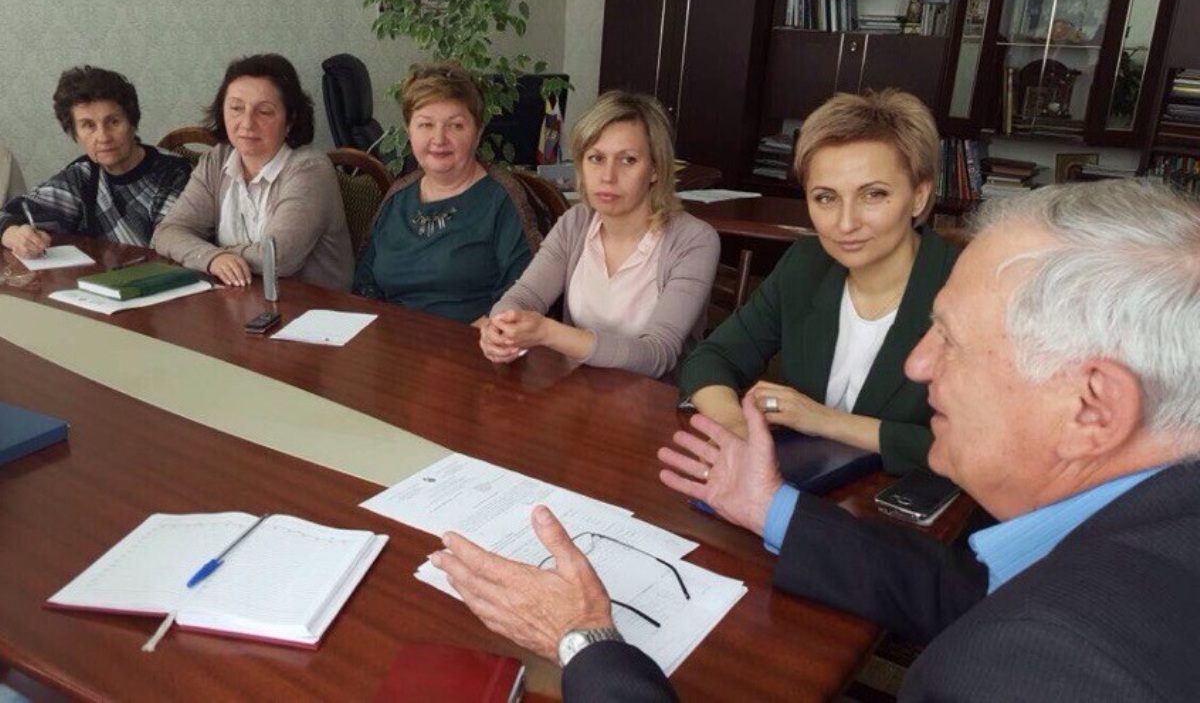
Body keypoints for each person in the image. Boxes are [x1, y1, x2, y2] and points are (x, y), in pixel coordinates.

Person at [431, 180, 1200, 700]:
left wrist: (585, 643)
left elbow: (1012, 627)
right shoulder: (1151, 523)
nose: (918, 363)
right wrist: (771, 506)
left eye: (951, 339)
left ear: (1093, 406)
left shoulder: (1045, 667)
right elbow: (971, 589)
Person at [679, 89, 958, 474]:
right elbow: (712, 359)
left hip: (910, 498)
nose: (846, 223)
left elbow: (983, 448)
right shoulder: (807, 263)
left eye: (873, 194)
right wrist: (737, 430)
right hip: (800, 482)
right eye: (826, 198)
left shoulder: (967, 288)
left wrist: (824, 420)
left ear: (919, 196)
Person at [480, 91, 719, 379]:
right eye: (596, 158)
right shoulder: (576, 222)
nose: (607, 176)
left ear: (655, 169)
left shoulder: (694, 240)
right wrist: (500, 326)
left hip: (658, 397)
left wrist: (548, 333)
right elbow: (526, 295)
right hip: (577, 389)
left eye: (628, 160)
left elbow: (658, 355)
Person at [353, 62, 540, 324]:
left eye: (455, 126)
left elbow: (523, 296)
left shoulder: (502, 199)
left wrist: (481, 333)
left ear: (478, 133)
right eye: (425, 125)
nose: (439, 139)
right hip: (393, 341)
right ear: (408, 130)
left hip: (471, 343)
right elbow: (364, 284)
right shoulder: (398, 196)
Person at [152, 54, 352, 290]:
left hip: (311, 306)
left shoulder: (310, 170)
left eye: (264, 112)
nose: (247, 123)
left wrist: (209, 252)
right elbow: (167, 233)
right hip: (241, 298)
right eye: (236, 108)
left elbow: (277, 259)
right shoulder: (218, 159)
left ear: (290, 120)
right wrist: (213, 258)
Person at [1, 66, 190, 258]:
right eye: (88, 125)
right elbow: (10, 215)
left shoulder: (173, 173)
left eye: (113, 122)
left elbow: (170, 247)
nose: (103, 137)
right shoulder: (83, 174)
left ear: (132, 123)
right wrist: (15, 235)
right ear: (75, 134)